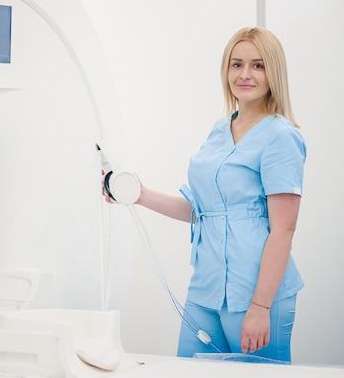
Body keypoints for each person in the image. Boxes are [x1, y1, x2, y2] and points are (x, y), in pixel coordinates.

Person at [108, 27, 306, 362]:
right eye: (236, 64)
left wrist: (260, 307)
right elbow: (201, 208)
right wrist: (138, 194)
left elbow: (283, 229)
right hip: (206, 289)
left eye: (258, 65)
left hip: (255, 293)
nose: (245, 74)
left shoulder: (281, 137)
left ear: (274, 71)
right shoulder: (219, 130)